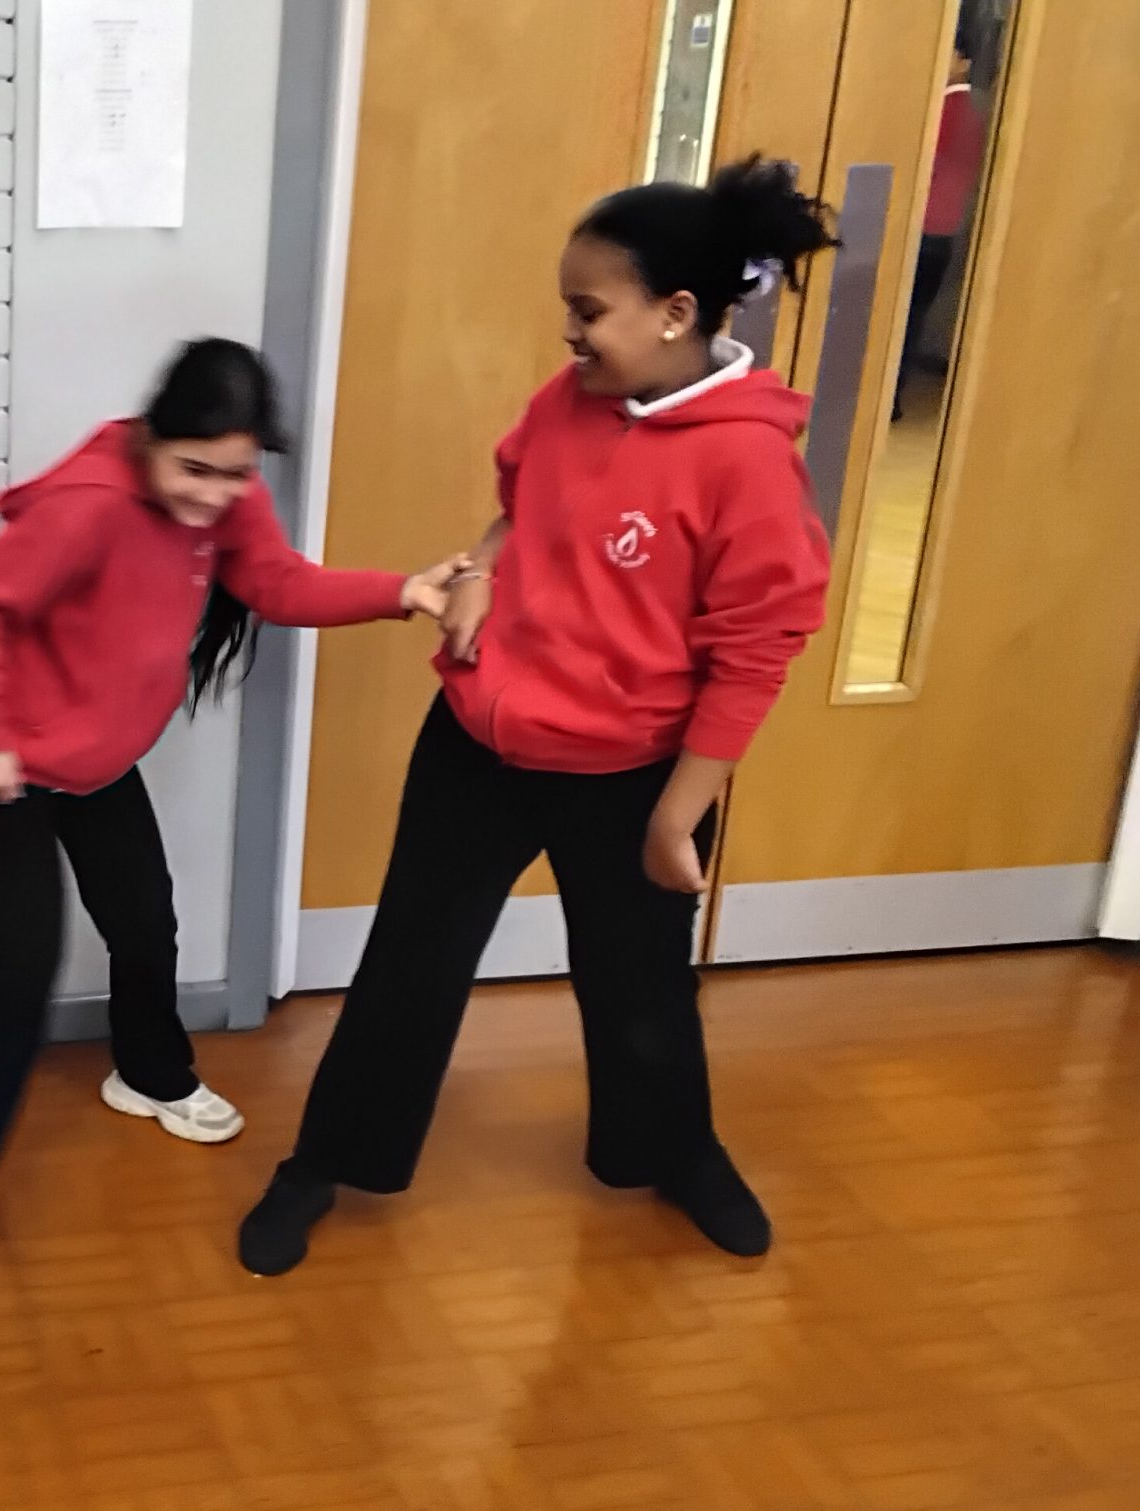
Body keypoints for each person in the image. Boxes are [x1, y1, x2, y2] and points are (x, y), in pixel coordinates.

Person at [237, 156, 838, 1276]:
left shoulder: (750, 465)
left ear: (675, 313)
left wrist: (678, 817)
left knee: (639, 982)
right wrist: (480, 573)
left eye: (588, 310)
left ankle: (677, 1152)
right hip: (479, 745)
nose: (569, 332)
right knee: (409, 961)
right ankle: (326, 1160)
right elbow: (518, 511)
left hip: (633, 776)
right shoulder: (569, 401)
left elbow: (756, 656)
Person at [0, 338, 460, 1287]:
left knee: (144, 925)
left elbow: (276, 582)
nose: (216, 494)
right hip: (13, 768)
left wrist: (401, 592)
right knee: (25, 968)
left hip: (100, 766)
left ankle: (148, 1074)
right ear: (152, 441)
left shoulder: (228, 499)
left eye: (236, 474)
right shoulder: (90, 506)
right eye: (195, 470)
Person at [896, 32, 985, 420]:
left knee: (901, 318)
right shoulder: (971, 111)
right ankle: (891, 398)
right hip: (942, 233)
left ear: (964, 62)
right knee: (911, 318)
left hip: (923, 230)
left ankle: (886, 399)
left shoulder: (949, 110)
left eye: (947, 54)